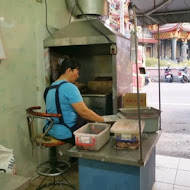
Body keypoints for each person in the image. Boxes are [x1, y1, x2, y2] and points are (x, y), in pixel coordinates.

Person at [44, 56, 105, 146]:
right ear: (69, 70)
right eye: (77, 72)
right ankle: (80, 158)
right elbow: (84, 112)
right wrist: (103, 120)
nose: (78, 76)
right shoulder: (69, 87)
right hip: (66, 132)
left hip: (49, 129)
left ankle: (73, 159)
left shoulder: (50, 88)